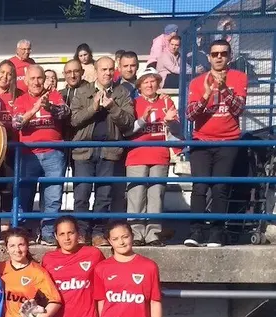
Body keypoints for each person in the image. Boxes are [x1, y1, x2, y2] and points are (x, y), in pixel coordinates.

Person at [185, 39, 247, 248]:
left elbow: (238, 109)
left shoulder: (239, 78)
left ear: (229, 56)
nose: (219, 57)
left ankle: (216, 232)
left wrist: (224, 90)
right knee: (200, 186)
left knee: (220, 187)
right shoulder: (197, 81)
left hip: (228, 141)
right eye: (215, 54)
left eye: (223, 53)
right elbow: (190, 115)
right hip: (201, 141)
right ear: (209, 57)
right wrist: (206, 95)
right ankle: (196, 231)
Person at [69, 56, 135, 246]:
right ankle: (81, 232)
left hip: (110, 150)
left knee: (104, 195)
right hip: (84, 149)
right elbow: (74, 120)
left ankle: (98, 232)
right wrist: (93, 107)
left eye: (110, 69)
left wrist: (112, 107)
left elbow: (128, 122)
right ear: (96, 71)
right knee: (81, 193)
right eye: (103, 69)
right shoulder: (82, 92)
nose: (107, 73)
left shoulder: (121, 93)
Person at [41, 216, 104, 317]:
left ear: (79, 234)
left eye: (71, 233)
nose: (67, 238)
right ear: (55, 236)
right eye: (62, 234)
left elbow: (106, 283)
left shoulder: (93, 254)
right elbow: (43, 292)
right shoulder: (49, 259)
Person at [13, 64, 70, 246]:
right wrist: (35, 108)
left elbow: (65, 113)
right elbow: (17, 124)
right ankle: (23, 233)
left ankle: (47, 233)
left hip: (54, 153)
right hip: (28, 154)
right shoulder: (21, 100)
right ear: (26, 81)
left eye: (40, 78)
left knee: (53, 196)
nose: (37, 82)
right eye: (33, 79)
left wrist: (49, 107)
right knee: (24, 195)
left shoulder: (53, 95)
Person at [125, 70, 180, 246]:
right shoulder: (133, 103)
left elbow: (176, 130)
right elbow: (127, 130)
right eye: (145, 82)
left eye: (152, 81)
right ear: (139, 86)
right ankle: (136, 233)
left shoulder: (166, 101)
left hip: (160, 154)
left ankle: (153, 234)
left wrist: (170, 121)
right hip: (137, 154)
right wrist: (143, 119)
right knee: (136, 195)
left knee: (156, 195)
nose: (149, 85)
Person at [0, 60, 20, 236]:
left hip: (11, 147)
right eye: (2, 72)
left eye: (9, 73)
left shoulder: (18, 95)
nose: (5, 76)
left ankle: (6, 226)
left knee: (9, 188)